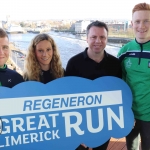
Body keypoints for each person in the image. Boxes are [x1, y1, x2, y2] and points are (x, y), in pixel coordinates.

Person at [66, 21, 122, 150]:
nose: (98, 41)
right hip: (78, 124)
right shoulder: (74, 63)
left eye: (102, 37)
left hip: (104, 123)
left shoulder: (115, 64)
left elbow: (118, 94)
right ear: (86, 39)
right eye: (93, 37)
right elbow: (67, 97)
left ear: (107, 39)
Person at [117, 3, 150, 150]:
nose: (141, 25)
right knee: (131, 148)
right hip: (130, 114)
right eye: (137, 21)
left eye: (146, 20)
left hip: (149, 117)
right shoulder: (124, 51)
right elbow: (119, 81)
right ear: (132, 24)